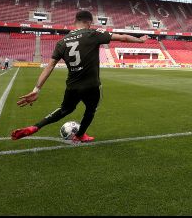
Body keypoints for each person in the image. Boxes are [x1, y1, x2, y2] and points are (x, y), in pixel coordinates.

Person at [11, 11, 150, 144]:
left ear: (75, 21)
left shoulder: (62, 42)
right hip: (92, 85)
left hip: (73, 86)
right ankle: (80, 135)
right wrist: (141, 40)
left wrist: (37, 89)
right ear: (89, 22)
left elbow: (50, 66)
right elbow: (123, 37)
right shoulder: (93, 33)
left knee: (65, 110)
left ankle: (36, 126)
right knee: (90, 109)